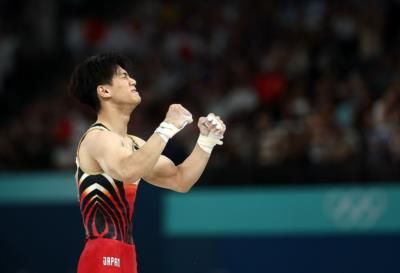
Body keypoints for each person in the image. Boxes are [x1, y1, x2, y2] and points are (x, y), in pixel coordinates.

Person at [69, 52, 226, 273]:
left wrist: (206, 141)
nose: (133, 80)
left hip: (128, 257)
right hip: (101, 256)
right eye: (123, 77)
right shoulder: (97, 138)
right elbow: (127, 170)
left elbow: (181, 180)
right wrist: (167, 127)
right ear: (104, 91)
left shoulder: (135, 145)